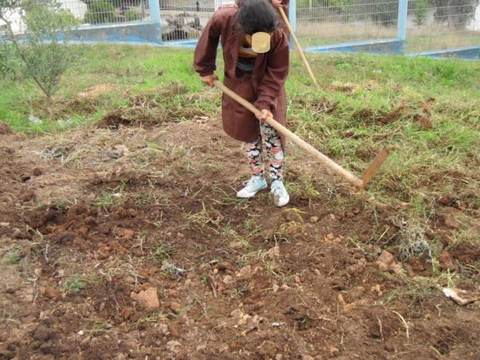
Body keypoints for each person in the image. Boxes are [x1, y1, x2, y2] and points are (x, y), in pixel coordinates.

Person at [193, 0, 290, 207]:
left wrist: (265, 103)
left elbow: (277, 71)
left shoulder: (277, 34)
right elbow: (207, 39)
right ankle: (258, 178)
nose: (262, 42)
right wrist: (205, 69)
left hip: (267, 85)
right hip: (239, 84)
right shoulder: (224, 18)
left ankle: (277, 182)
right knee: (248, 132)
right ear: (241, 29)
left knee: (272, 132)